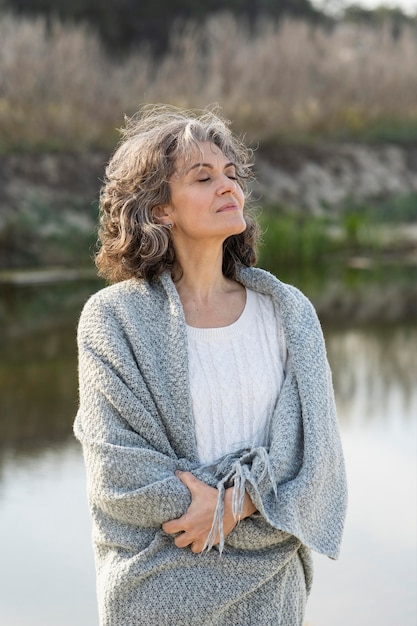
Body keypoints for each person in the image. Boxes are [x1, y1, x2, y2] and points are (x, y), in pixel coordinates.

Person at [74, 104, 347, 626]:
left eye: (232, 175)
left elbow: (318, 462)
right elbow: (118, 473)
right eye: (204, 177)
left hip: (271, 592)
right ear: (160, 210)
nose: (229, 188)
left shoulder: (287, 312)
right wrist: (248, 495)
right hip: (153, 591)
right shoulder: (113, 320)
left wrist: (233, 504)